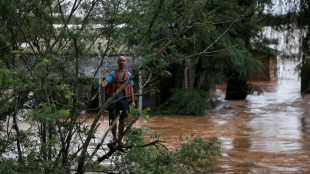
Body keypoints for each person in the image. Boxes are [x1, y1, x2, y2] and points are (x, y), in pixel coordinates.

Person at [101, 56, 135, 150]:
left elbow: (131, 88)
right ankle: (115, 140)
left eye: (124, 61)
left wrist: (133, 101)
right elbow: (107, 80)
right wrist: (103, 83)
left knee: (123, 120)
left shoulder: (128, 74)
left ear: (126, 63)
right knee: (113, 120)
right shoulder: (113, 74)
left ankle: (120, 140)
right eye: (120, 61)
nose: (122, 62)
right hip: (114, 100)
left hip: (124, 100)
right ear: (118, 63)